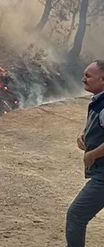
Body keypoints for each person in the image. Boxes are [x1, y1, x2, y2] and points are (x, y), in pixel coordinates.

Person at [66, 60, 104, 247]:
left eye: (88, 76)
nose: (83, 79)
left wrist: (93, 154)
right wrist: (86, 137)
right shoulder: (99, 102)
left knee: (76, 215)